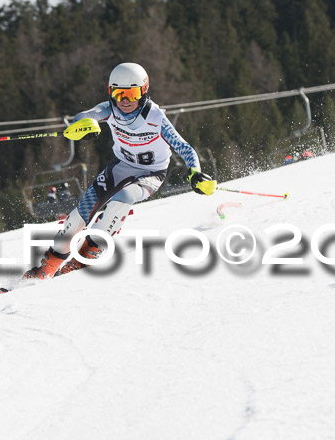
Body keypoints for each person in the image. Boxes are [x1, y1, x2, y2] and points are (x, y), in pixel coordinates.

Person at [23, 63, 217, 279]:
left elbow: (185, 148)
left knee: (123, 198)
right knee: (79, 217)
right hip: (121, 167)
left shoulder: (156, 118)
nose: (125, 101)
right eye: (118, 93)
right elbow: (85, 115)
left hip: (151, 174)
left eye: (132, 94)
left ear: (143, 91)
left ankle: (83, 259)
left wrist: (196, 172)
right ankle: (46, 269)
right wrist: (85, 126)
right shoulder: (110, 109)